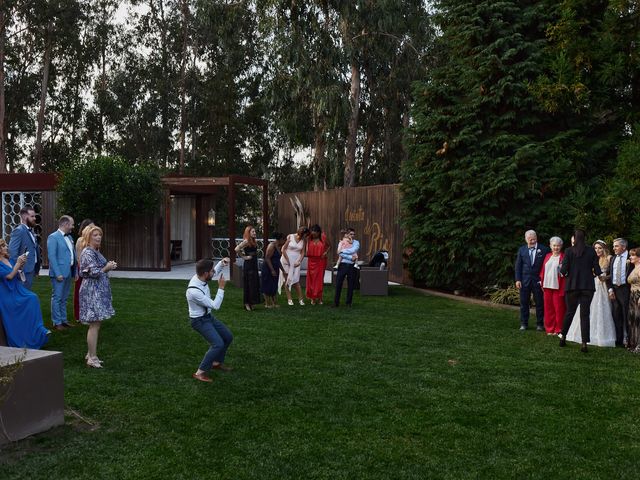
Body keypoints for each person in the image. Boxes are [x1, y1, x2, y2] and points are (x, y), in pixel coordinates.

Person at [186, 257, 233, 383]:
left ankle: (216, 363)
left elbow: (214, 272)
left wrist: (221, 264)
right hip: (199, 321)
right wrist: (221, 288)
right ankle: (199, 372)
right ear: (205, 273)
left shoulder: (201, 276)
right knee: (218, 344)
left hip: (208, 317)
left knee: (228, 337)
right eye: (211, 271)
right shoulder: (194, 291)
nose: (214, 272)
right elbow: (215, 305)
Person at [565, 240, 616, 347]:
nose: (598, 250)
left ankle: (602, 335)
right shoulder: (591, 257)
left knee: (602, 309)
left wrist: (605, 277)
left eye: (600, 248)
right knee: (587, 309)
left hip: (603, 286)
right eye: (596, 248)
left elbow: (613, 274)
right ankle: (586, 334)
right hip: (591, 285)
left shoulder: (609, 258)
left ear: (604, 248)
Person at [0, 239, 49, 349]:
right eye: (4, 246)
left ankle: (38, 330)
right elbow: (9, 276)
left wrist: (20, 266)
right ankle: (22, 338)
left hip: (17, 289)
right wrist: (17, 264)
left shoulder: (9, 260)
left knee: (33, 298)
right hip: (6, 294)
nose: (6, 247)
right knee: (30, 299)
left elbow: (17, 275)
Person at [79, 226, 116, 368]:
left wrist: (108, 266)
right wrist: (107, 267)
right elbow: (92, 272)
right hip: (92, 291)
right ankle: (92, 358)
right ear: (88, 237)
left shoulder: (95, 251)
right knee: (94, 324)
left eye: (99, 234)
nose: (98, 237)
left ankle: (90, 354)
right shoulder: (87, 252)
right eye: (95, 235)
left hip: (98, 290)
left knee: (97, 323)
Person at [559, 229, 602, 353]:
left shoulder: (568, 251)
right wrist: (599, 275)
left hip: (572, 286)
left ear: (575, 238)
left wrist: (565, 273)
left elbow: (563, 270)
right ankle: (584, 343)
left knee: (570, 312)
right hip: (587, 286)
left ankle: (563, 337)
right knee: (585, 315)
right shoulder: (591, 251)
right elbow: (597, 269)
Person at [514, 229, 550, 331]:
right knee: (524, 303)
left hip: (538, 281)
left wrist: (544, 280)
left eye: (533, 239)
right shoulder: (522, 250)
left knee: (539, 303)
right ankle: (524, 323)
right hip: (524, 281)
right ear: (526, 239)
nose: (532, 241)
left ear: (536, 238)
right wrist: (518, 279)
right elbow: (518, 266)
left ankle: (539, 324)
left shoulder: (544, 250)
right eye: (530, 239)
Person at [47, 215, 76, 330]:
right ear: (65, 224)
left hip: (68, 271)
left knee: (64, 298)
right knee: (57, 297)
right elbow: (52, 256)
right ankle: (57, 322)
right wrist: (58, 273)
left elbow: (72, 254)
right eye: (72, 224)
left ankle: (64, 320)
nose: (73, 227)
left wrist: (75, 271)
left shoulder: (69, 237)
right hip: (59, 273)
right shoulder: (53, 237)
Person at [607, 237, 634, 346]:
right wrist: (610, 289)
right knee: (616, 314)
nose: (614, 248)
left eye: (616, 246)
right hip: (614, 289)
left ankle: (629, 340)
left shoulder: (631, 257)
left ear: (624, 247)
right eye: (614, 246)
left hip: (625, 289)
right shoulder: (613, 258)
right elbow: (609, 275)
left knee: (627, 315)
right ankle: (618, 340)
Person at [8, 207, 41, 290]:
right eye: (32, 216)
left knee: (26, 294)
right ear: (25, 217)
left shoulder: (32, 231)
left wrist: (36, 268)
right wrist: (19, 270)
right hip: (23, 271)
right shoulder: (18, 231)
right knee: (21, 296)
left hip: (31, 269)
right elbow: (12, 252)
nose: (35, 218)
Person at [539, 236, 566, 335]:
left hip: (558, 287)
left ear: (561, 246)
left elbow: (565, 273)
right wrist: (541, 283)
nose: (556, 248)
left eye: (558, 246)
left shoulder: (563, 257)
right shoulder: (547, 256)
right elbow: (543, 270)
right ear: (550, 246)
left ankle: (558, 329)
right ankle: (550, 329)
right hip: (547, 286)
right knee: (548, 308)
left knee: (559, 309)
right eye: (554, 245)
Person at [235, 225, 261, 311]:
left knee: (253, 284)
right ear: (248, 233)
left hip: (254, 264)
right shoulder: (246, 241)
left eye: (255, 231)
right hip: (248, 265)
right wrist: (244, 257)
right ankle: (246, 303)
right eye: (253, 232)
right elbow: (236, 249)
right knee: (248, 284)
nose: (254, 233)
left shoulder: (254, 241)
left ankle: (252, 302)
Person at [281, 226, 309, 306]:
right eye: (305, 235)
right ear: (301, 233)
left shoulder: (303, 241)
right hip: (286, 260)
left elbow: (303, 252)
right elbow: (283, 249)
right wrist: (288, 261)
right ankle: (289, 299)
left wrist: (299, 261)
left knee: (296, 280)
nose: (306, 237)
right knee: (287, 280)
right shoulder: (290, 236)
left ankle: (301, 299)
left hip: (296, 261)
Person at [333, 227, 360, 308]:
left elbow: (353, 250)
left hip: (352, 266)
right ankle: (336, 303)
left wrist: (342, 251)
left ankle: (348, 303)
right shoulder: (341, 242)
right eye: (351, 234)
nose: (353, 235)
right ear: (347, 234)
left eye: (354, 234)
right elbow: (339, 253)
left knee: (351, 285)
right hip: (343, 265)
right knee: (338, 284)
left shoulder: (356, 242)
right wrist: (350, 257)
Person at [74, 219, 94, 322]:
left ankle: (89, 314)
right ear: (84, 228)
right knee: (79, 293)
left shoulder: (93, 240)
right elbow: (78, 258)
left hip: (93, 271)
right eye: (90, 227)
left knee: (90, 293)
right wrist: (85, 270)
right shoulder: (80, 240)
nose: (92, 229)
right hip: (82, 270)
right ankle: (78, 316)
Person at [306, 224, 331, 305]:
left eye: (315, 232)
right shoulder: (309, 238)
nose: (313, 233)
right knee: (311, 279)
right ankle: (312, 298)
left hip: (321, 261)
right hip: (311, 261)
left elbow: (329, 245)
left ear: (319, 232)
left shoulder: (323, 237)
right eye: (312, 232)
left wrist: (326, 252)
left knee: (319, 280)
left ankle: (320, 298)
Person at [261, 233, 286, 308]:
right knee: (267, 285)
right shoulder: (271, 246)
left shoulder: (279, 246)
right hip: (268, 268)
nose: (285, 242)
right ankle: (267, 303)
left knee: (274, 285)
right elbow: (267, 258)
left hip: (275, 268)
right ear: (280, 239)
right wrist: (272, 270)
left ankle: (274, 303)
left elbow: (278, 260)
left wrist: (283, 270)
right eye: (284, 240)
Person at [625, 248, 640, 353]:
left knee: (638, 320)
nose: (630, 257)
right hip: (632, 296)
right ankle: (633, 344)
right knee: (632, 320)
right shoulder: (634, 267)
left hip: (638, 296)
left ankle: (638, 345)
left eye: (633, 255)